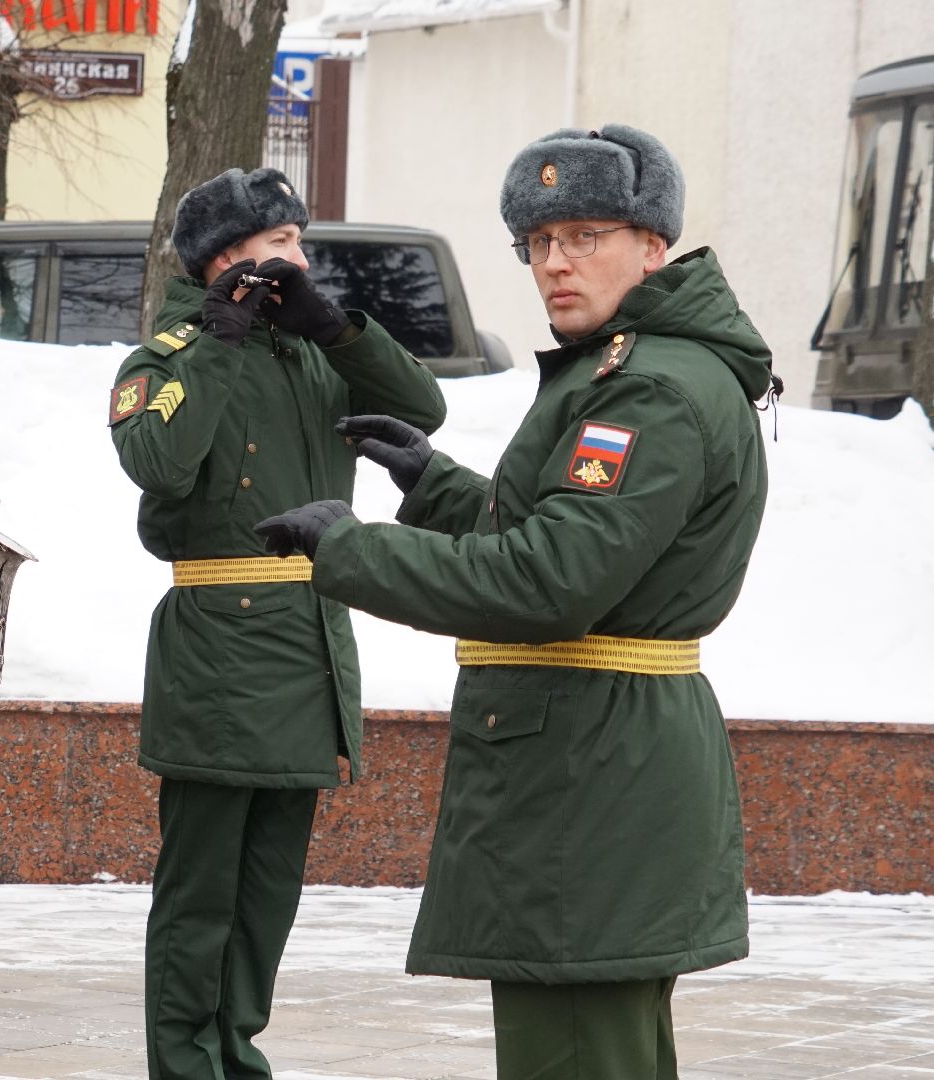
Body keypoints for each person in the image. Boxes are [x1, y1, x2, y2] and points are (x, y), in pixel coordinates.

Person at [255, 124, 774, 1079]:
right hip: (596, 765)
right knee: (601, 1050)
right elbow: (565, 531)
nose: (553, 264)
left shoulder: (649, 389)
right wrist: (436, 485)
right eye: (537, 243)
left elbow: (551, 581)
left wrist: (353, 549)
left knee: (572, 1052)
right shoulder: (632, 365)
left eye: (583, 235)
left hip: (590, 772)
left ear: (652, 246)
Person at [109, 167, 446, 1079]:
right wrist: (217, 340)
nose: (302, 256)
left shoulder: (309, 352)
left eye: (301, 239)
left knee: (267, 895)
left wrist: (334, 326)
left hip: (309, 647)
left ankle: (237, 1056)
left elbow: (422, 410)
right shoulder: (168, 356)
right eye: (283, 242)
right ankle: (186, 1065)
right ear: (226, 259)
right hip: (219, 651)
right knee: (200, 896)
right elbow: (159, 466)